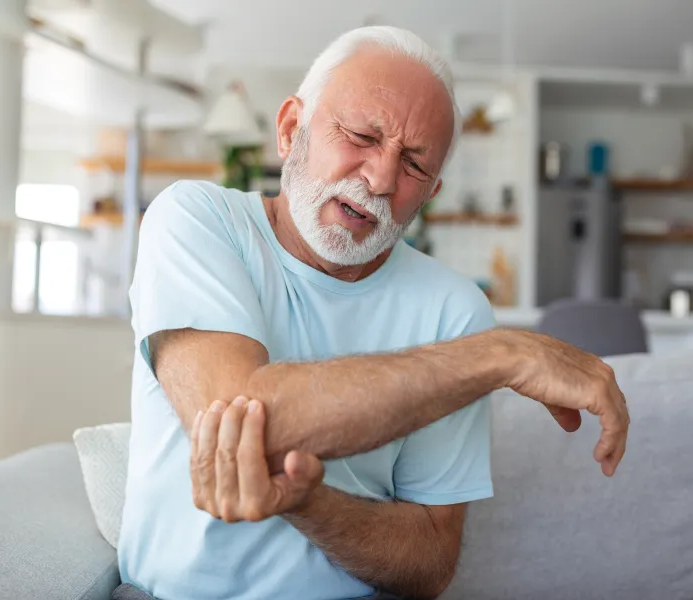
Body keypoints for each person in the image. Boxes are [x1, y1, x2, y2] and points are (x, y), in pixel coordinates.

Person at [118, 26, 629, 600]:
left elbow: (431, 562)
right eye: (361, 135)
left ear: (431, 191)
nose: (382, 179)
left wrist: (311, 504)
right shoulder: (195, 218)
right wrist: (501, 354)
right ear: (291, 130)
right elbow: (238, 419)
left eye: (414, 164)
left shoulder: (453, 308)